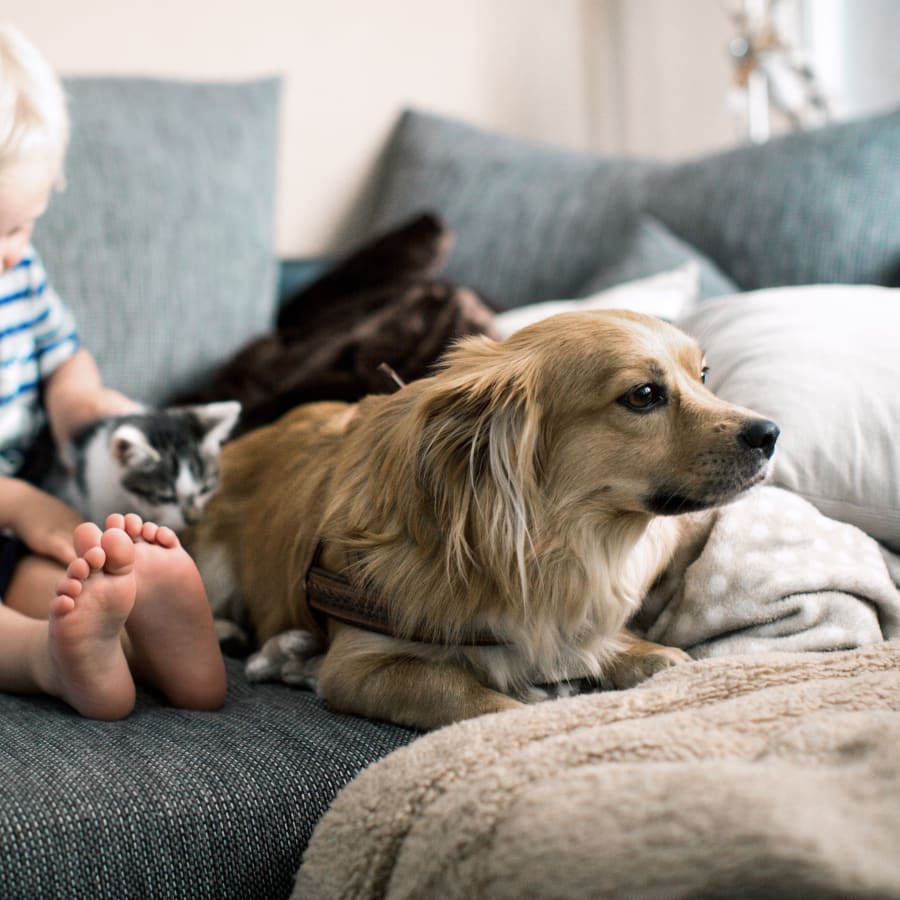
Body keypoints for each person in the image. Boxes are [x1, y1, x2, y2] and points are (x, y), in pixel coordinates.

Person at [0, 24, 226, 719]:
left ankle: (140, 637)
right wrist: (19, 503)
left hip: (17, 517)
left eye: (19, 226)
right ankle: (50, 661)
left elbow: (64, 361)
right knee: (38, 609)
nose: (12, 253)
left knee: (68, 586)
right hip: (14, 504)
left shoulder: (20, 277)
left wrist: (88, 408)